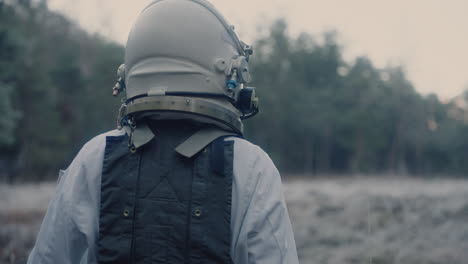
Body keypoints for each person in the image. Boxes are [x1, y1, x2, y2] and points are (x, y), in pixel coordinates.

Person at [27, 0, 299, 263]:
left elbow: (49, 256)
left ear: (130, 72)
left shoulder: (95, 155)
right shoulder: (251, 166)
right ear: (227, 68)